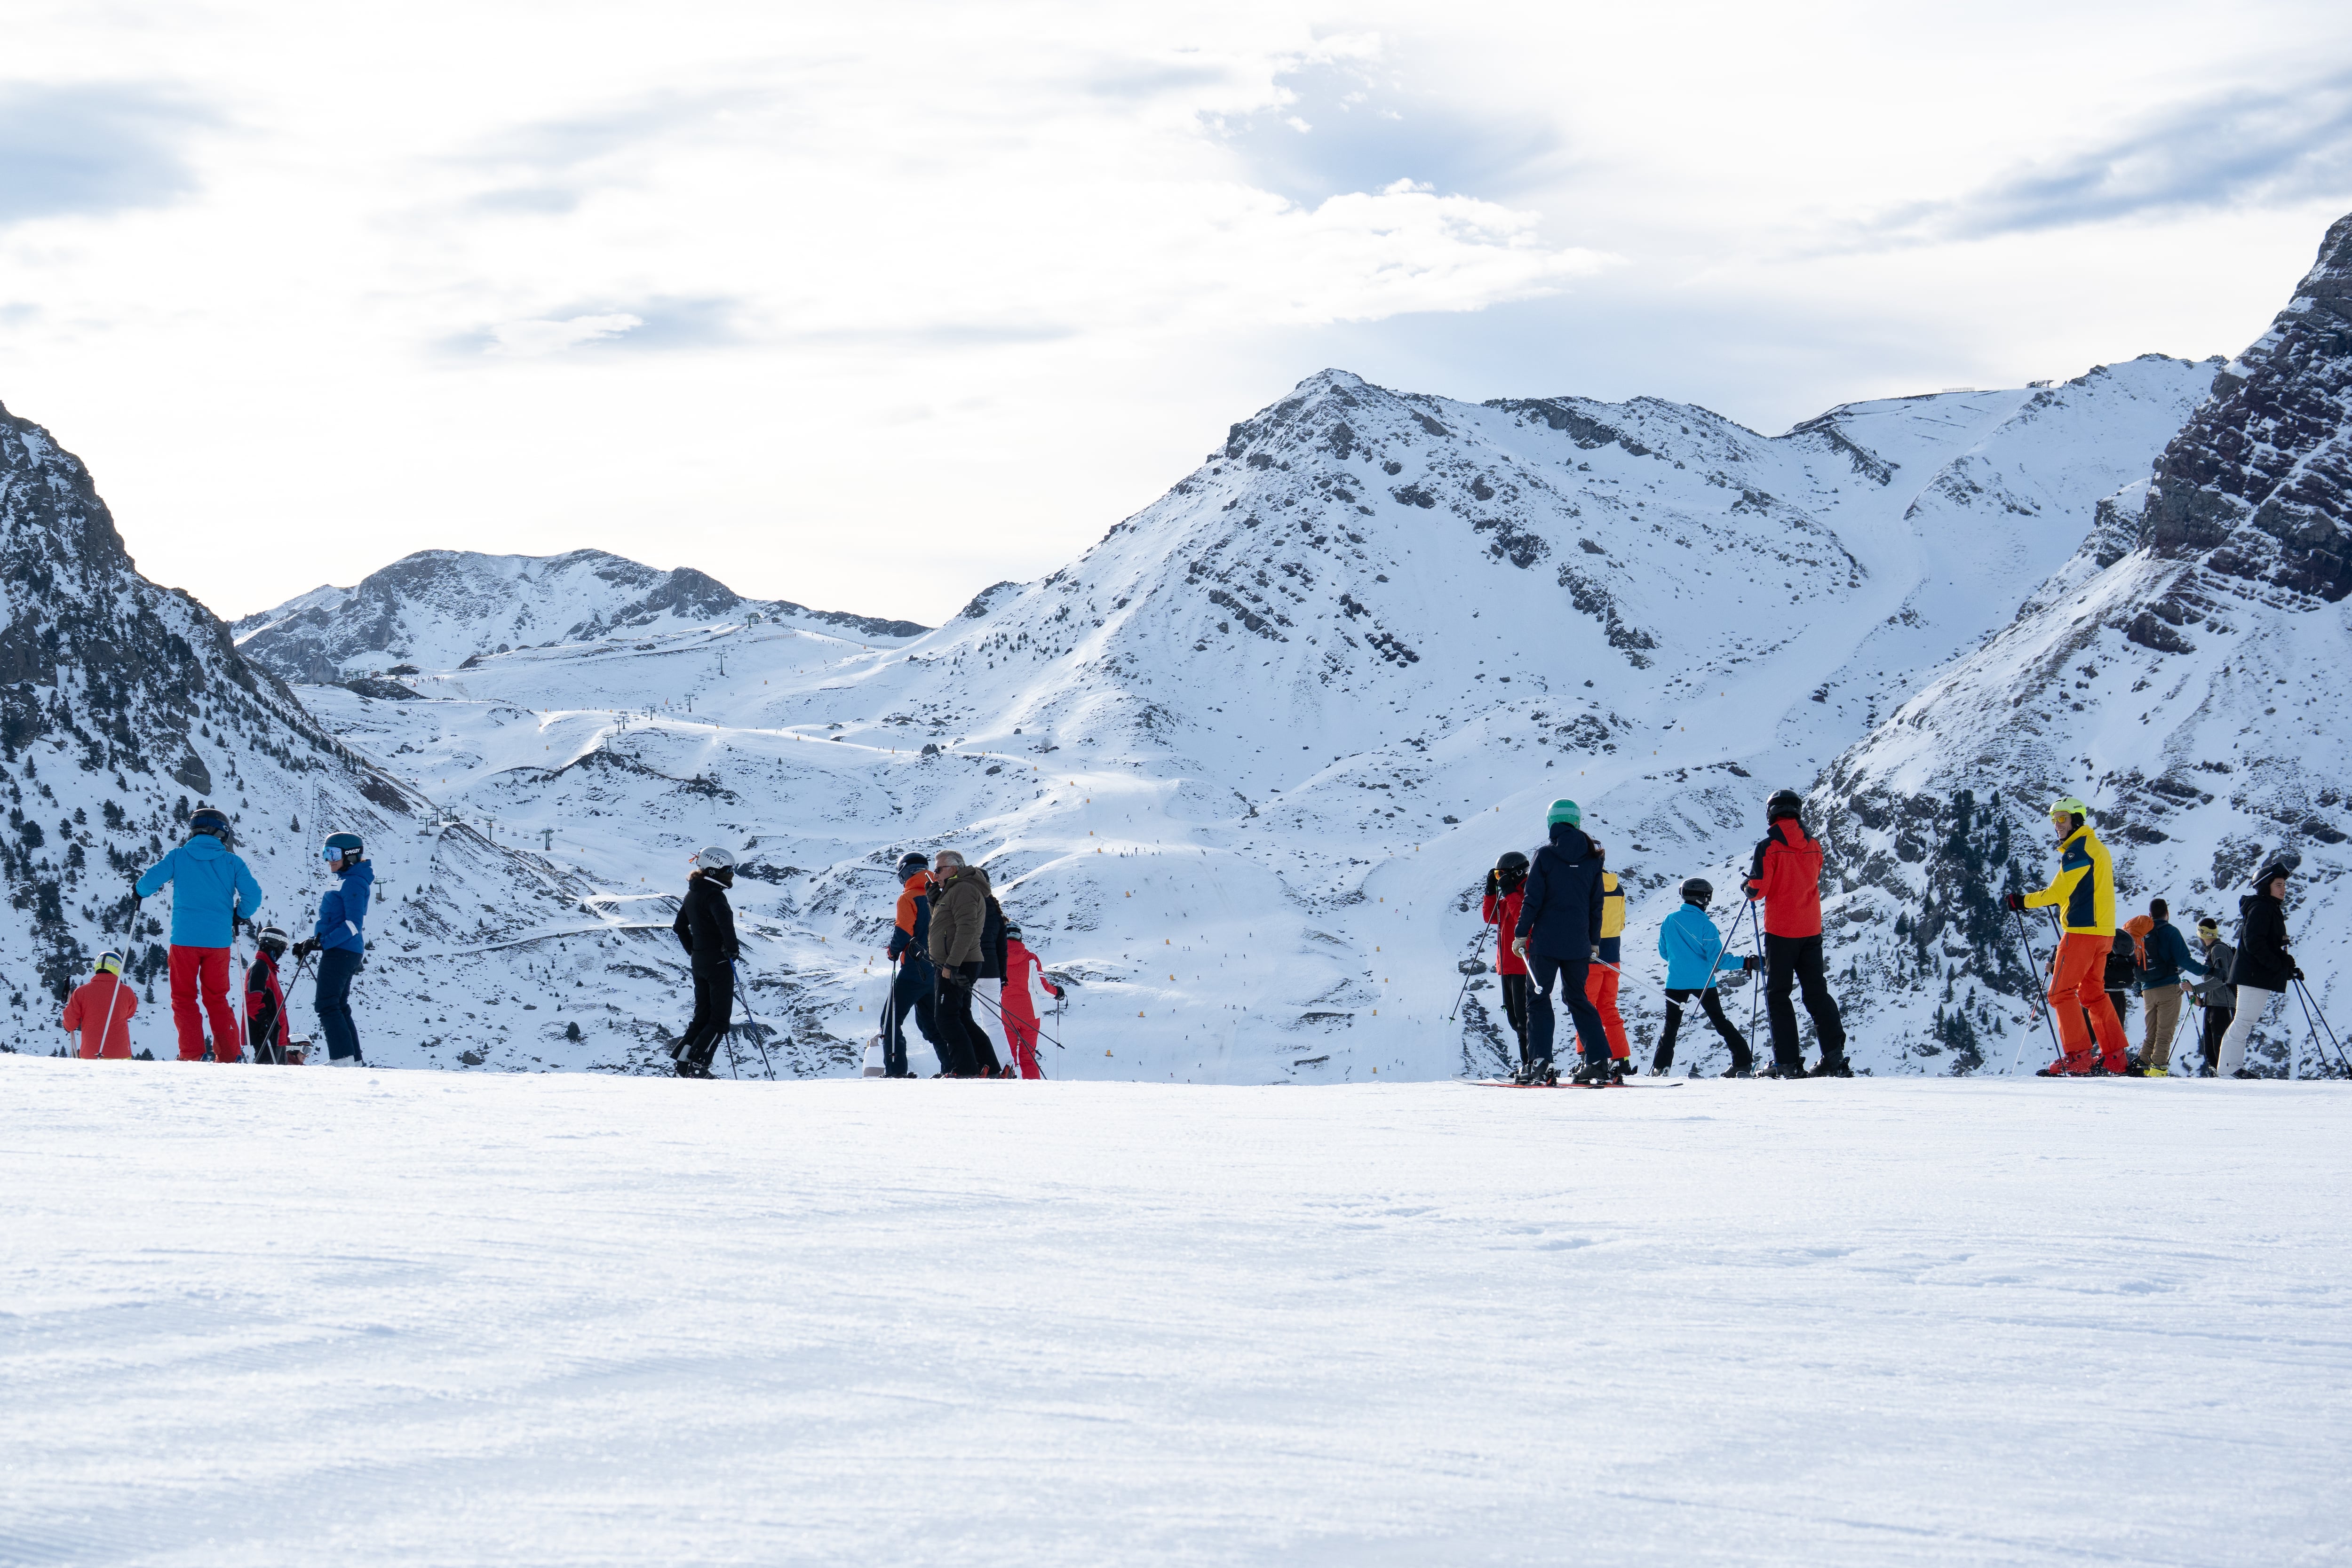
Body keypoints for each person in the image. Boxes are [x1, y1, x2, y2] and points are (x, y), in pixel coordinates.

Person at [2005, 797, 2128, 1076]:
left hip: (2082, 933)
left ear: (2077, 819)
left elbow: (2057, 893)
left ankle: (2079, 1057)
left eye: (2062, 818)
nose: (2057, 824)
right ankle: (2115, 1057)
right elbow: (2079, 892)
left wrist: (2022, 901)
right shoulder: (2097, 847)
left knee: (2060, 993)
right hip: (2104, 934)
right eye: (2054, 819)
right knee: (2094, 994)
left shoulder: (2077, 852)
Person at [134, 804, 264, 1061]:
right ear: (223, 833)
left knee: (184, 998)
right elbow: (253, 896)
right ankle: (230, 1055)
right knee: (217, 998)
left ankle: (192, 1055)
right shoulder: (232, 862)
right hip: (218, 943)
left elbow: (147, 884)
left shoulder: (178, 857)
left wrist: (138, 892)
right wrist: (239, 915)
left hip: (184, 940)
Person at [1745, 788, 1850, 1076]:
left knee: (1779, 995)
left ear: (1772, 814)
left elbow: (1758, 889)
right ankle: (1834, 1058)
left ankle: (1788, 1063)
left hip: (1781, 931)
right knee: (1816, 993)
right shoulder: (1814, 845)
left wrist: (1748, 886)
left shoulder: (1769, 847)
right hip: (1811, 928)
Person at [1511, 800, 1611, 1085]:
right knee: (1578, 999)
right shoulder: (1593, 858)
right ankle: (1598, 1061)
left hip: (1546, 942)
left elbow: (1532, 900)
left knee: (1539, 999)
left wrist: (1521, 934)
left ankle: (1540, 1062)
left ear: (1551, 823)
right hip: (1579, 943)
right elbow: (1596, 905)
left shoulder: (1545, 855)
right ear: (1577, 822)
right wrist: (1594, 942)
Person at [1652, 879, 1759, 1075]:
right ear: (1703, 899)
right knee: (1720, 1021)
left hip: (1675, 982)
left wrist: (1681, 959)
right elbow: (1718, 960)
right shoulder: (1707, 926)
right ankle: (1743, 1063)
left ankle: (1661, 1068)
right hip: (1704, 982)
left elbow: (1664, 953)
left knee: (1671, 1026)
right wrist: (1747, 963)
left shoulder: (1669, 920)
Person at [290, 832, 371, 1067]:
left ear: (351, 855)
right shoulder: (346, 879)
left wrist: (323, 943)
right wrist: (313, 942)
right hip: (341, 949)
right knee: (339, 1005)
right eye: (326, 853)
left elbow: (353, 924)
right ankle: (353, 1060)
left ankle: (342, 1059)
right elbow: (333, 921)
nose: (329, 860)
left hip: (342, 951)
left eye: (334, 854)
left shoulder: (353, 881)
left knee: (326, 1005)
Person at [2215, 861, 2297, 1078]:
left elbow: (2267, 944)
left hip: (2254, 974)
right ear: (2265, 887)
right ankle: (2229, 1069)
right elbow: (2255, 943)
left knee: (2245, 1021)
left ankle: (2230, 1068)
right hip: (2252, 975)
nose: (2283, 889)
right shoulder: (2262, 908)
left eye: (2284, 885)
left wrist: (2286, 964)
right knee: (2243, 1021)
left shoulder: (2268, 907)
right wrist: (2280, 965)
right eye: (2278, 885)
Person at [667, 847, 739, 1078]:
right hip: (719, 963)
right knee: (719, 1021)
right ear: (713, 870)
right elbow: (725, 924)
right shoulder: (715, 896)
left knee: (702, 1017)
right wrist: (732, 950)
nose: (732, 874)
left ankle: (683, 1065)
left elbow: (679, 927)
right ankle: (699, 1068)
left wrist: (695, 952)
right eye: (728, 870)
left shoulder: (693, 893)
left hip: (699, 963)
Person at [927, 850, 998, 1077]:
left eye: (938, 870)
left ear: (954, 869)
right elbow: (944, 924)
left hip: (958, 963)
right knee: (962, 1017)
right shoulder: (954, 889)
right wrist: (933, 902)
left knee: (946, 1018)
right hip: (956, 962)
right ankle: (990, 1067)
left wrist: (952, 965)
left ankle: (965, 1069)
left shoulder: (964, 889)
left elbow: (966, 929)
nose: (935, 875)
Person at [2130, 899, 2205, 1077]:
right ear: (2167, 914)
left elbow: (2136, 961)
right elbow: (2185, 960)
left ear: (2150, 915)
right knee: (2165, 1034)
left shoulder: (2141, 933)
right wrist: (2209, 971)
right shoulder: (2171, 931)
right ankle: (2159, 1069)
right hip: (2168, 988)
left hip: (2147, 990)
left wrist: (2139, 986)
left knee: (2151, 1033)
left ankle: (2143, 1064)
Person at [882, 852, 939, 1077]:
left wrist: (893, 951)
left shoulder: (909, 897)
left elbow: (904, 931)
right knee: (933, 1024)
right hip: (937, 969)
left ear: (904, 873)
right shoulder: (939, 894)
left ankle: (896, 1071)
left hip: (914, 969)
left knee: (891, 1020)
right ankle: (952, 1067)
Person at [1581, 850, 1633, 1081]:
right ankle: (1621, 1059)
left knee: (1585, 1008)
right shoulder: (1617, 887)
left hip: (1590, 957)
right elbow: (1621, 923)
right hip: (1613, 957)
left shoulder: (1585, 885)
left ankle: (1588, 1059)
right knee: (1609, 1008)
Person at [1481, 851, 1532, 1071]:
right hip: (1508, 966)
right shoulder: (1507, 899)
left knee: (1524, 1019)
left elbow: (1524, 918)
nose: (1500, 878)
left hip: (1523, 966)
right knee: (1514, 1020)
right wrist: (1490, 891)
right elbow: (1490, 917)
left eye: (1502, 874)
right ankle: (1527, 1064)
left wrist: (1510, 892)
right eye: (1497, 875)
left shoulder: (1529, 894)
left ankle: (1532, 1063)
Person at [999, 919, 1065, 1080]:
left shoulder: (997, 959)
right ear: (1020, 937)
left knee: (1008, 1057)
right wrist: (1057, 993)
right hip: (1030, 1014)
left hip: (1006, 1013)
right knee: (1029, 1057)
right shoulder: (1031, 959)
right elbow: (1042, 988)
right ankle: (1034, 1089)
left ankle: (1007, 1086)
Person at [62, 950, 138, 1059]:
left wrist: (67, 1025)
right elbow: (130, 1013)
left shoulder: (81, 992)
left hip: (91, 1053)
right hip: (120, 1053)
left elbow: (70, 1024)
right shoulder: (126, 992)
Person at [2190, 917, 2236, 1076]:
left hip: (2222, 1007)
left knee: (2218, 1052)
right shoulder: (2215, 950)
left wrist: (2195, 988)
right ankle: (2220, 1080)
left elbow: (2220, 979)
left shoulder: (2218, 950)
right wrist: (2203, 1002)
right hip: (2214, 1005)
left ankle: (2224, 1080)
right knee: (2212, 1053)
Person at [245, 925, 296, 1065]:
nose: (282, 952)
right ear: (276, 945)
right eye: (283, 947)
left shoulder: (268, 968)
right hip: (268, 1035)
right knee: (268, 1075)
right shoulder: (260, 967)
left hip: (276, 1036)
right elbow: (252, 1000)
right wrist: (265, 1022)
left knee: (279, 1076)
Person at [2101, 929, 2138, 1054]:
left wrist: (2053, 970)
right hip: (2119, 995)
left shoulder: (2104, 947)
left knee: (2091, 1032)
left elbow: (2083, 974)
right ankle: (2116, 1059)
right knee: (2116, 1033)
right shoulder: (2128, 947)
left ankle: (2082, 1060)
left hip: (2101, 995)